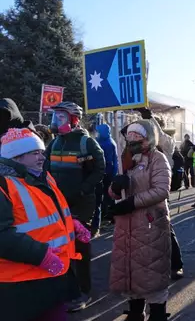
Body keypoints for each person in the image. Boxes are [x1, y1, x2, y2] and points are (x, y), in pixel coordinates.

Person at [0, 128, 91, 321]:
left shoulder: (43, 176)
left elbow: (47, 212)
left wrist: (71, 223)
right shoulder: (3, 185)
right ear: (16, 157)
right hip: (20, 285)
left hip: (50, 278)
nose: (42, 157)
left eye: (42, 152)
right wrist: (42, 255)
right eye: (35, 153)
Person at [44, 102, 105, 312]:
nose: (55, 122)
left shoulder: (86, 143)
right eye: (55, 117)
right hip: (59, 204)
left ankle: (83, 291)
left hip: (81, 204)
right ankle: (66, 289)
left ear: (74, 120)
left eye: (61, 117)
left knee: (80, 248)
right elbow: (44, 170)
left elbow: (100, 169)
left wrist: (83, 189)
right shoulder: (53, 144)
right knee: (60, 246)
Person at [108, 120, 172, 321]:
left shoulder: (157, 158)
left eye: (138, 136)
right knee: (131, 268)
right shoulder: (125, 158)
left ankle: (157, 313)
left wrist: (133, 202)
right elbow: (115, 192)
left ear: (148, 137)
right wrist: (115, 188)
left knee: (151, 269)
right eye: (130, 136)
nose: (133, 140)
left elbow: (161, 190)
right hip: (126, 225)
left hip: (149, 223)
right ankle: (135, 311)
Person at [92, 123, 119, 237]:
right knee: (108, 195)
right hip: (110, 171)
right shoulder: (110, 140)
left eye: (98, 131)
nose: (96, 133)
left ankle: (108, 217)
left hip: (106, 172)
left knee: (105, 195)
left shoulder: (104, 143)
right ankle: (111, 217)